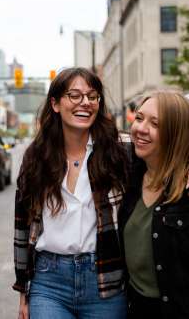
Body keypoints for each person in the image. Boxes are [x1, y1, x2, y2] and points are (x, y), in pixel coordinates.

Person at [13, 67, 129, 319]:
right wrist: (24, 290)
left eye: (92, 96)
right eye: (74, 95)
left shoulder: (120, 151)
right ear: (55, 103)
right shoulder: (36, 157)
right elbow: (22, 227)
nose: (85, 103)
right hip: (48, 284)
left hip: (105, 281)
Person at [119, 91, 189, 319]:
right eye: (139, 118)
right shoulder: (129, 175)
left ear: (175, 134)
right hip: (135, 308)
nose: (141, 129)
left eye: (155, 123)